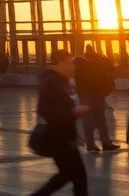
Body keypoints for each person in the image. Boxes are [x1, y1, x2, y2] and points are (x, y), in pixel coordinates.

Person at [30, 49, 88, 196]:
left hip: (64, 136)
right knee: (74, 175)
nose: (73, 67)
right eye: (70, 63)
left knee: (73, 175)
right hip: (57, 138)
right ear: (61, 63)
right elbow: (45, 110)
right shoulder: (51, 81)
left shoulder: (61, 80)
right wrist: (73, 112)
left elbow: (61, 109)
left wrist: (74, 134)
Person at [76, 46, 119, 151]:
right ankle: (104, 143)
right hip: (96, 96)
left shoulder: (79, 66)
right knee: (100, 121)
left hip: (86, 96)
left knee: (90, 122)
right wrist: (102, 57)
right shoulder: (97, 66)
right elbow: (111, 66)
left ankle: (92, 144)